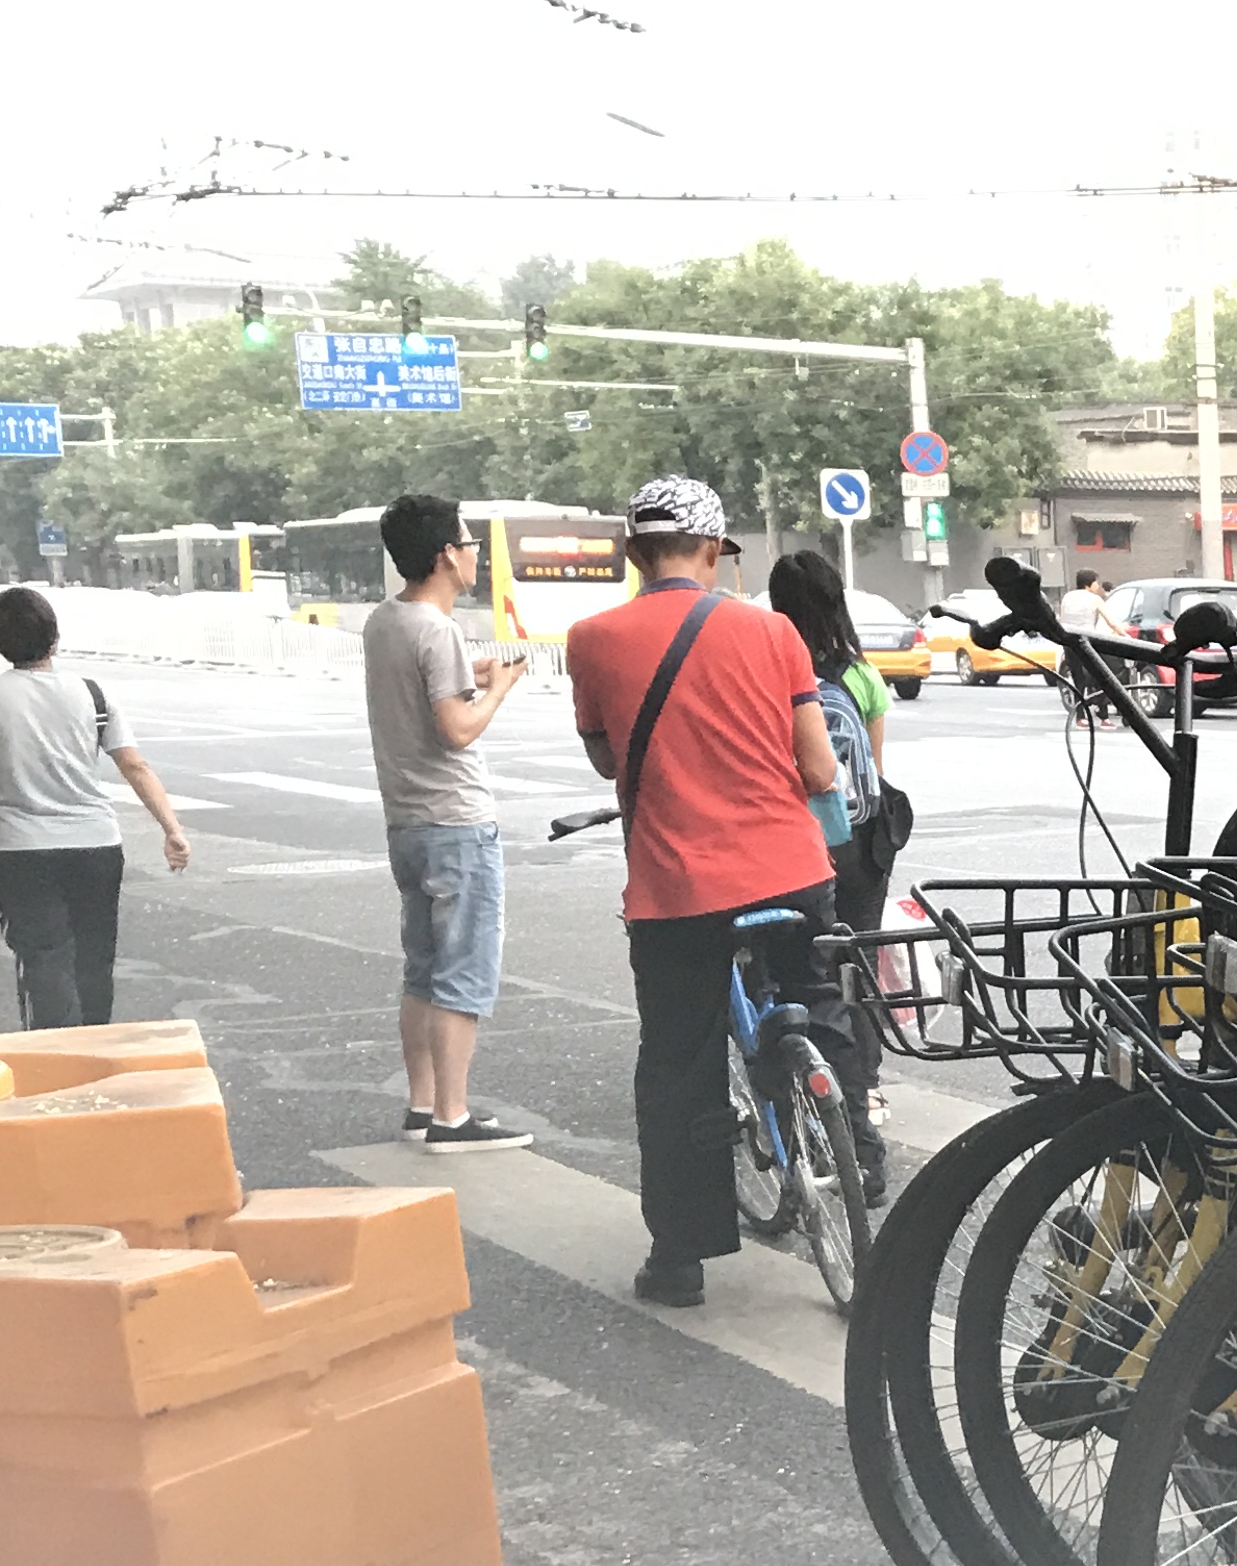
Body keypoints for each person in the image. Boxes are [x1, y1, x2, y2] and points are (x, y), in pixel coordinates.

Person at [565, 477, 842, 1310]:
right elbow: (820, 769)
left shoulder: (591, 638)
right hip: (794, 873)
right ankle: (845, 1134)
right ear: (715, 551)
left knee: (677, 1064)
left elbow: (608, 762)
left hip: (676, 889)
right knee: (822, 1011)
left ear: (633, 553)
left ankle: (680, 1258)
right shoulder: (776, 632)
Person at [364, 493, 533, 1148]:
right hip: (455, 825)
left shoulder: (387, 620)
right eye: (469, 546)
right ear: (444, 556)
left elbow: (423, 686)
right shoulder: (437, 630)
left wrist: (476, 671)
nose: (474, 557)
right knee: (462, 971)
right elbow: (457, 728)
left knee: (423, 970)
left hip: (406, 823)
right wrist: (497, 689)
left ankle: (421, 1104)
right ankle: (453, 1117)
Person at [0, 584, 188, 1026]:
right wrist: (171, 829)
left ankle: (56, 1054)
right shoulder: (93, 693)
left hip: (19, 851)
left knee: (42, 959)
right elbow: (134, 765)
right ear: (54, 636)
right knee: (94, 959)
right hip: (95, 846)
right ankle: (94, 1047)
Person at [763, 549, 898, 1200]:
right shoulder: (862, 674)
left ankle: (792, 1116)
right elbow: (869, 767)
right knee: (855, 964)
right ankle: (864, 1088)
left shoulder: (767, 669)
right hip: (861, 844)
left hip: (794, 843)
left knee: (795, 973)